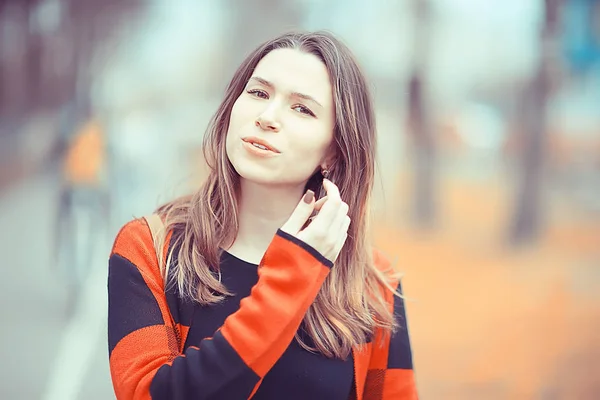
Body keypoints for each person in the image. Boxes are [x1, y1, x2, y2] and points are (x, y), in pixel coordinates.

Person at [108, 31, 418, 400]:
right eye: (258, 93)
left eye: (302, 108)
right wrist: (291, 279)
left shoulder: (374, 287)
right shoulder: (150, 248)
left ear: (333, 152)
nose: (267, 117)